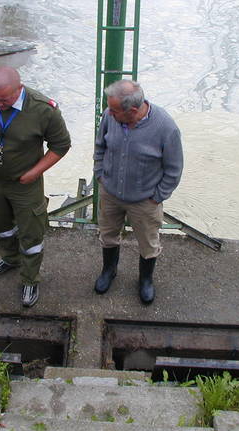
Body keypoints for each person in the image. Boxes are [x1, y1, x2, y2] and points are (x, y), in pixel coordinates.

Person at [0, 66, 71, 307]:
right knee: (1, 226)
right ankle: (9, 259)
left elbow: (61, 145)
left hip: (25, 184)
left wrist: (34, 172)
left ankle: (30, 278)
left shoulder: (42, 110)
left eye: (5, 99)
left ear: (19, 89)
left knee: (31, 233)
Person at [93, 79, 183, 304]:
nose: (108, 113)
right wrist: (100, 174)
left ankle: (145, 280)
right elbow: (99, 146)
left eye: (113, 110)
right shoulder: (110, 115)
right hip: (111, 193)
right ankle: (109, 271)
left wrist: (157, 197)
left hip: (145, 201)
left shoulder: (166, 128)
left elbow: (174, 169)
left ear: (132, 111)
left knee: (148, 244)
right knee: (108, 235)